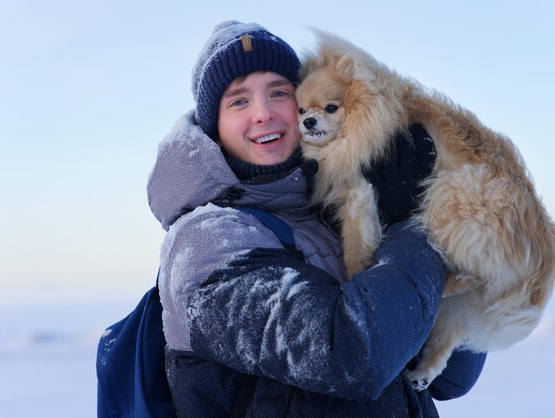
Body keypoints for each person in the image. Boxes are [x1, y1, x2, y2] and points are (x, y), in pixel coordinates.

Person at [147, 20, 486, 417]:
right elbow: (351, 354)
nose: (263, 113)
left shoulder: (328, 216)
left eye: (279, 92)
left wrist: (400, 219)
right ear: (214, 128)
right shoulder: (207, 244)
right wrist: (415, 228)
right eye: (239, 101)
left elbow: (451, 379)